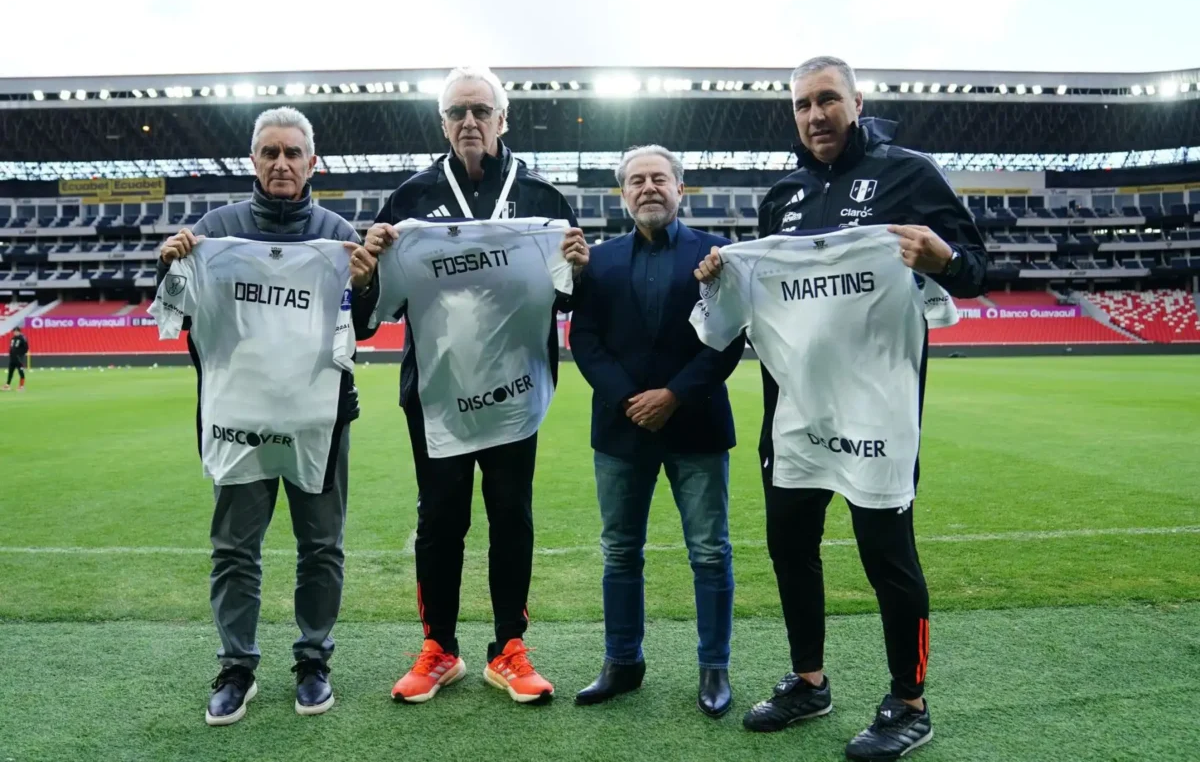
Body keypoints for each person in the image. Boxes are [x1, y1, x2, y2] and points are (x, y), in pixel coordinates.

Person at [696, 56, 987, 761]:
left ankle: (910, 700)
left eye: (827, 99)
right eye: (802, 104)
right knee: (790, 547)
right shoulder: (782, 196)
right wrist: (719, 277)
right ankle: (808, 678)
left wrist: (942, 257)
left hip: (877, 413)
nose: (815, 114)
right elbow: (747, 302)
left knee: (887, 554)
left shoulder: (909, 173)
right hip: (794, 413)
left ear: (857, 102)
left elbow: (977, 266)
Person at [358, 66, 590, 705]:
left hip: (516, 392)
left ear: (502, 119)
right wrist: (370, 265)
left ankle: (509, 649)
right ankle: (439, 649)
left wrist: (577, 265)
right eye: (457, 112)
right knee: (440, 522)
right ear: (442, 123)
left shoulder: (543, 200)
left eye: (480, 111)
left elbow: (571, 299)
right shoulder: (408, 202)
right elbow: (373, 309)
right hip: (435, 396)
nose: (468, 122)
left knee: (511, 518)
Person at [157, 106, 377, 726]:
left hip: (321, 420)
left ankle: (313, 661)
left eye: (292, 154)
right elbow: (180, 311)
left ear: (313, 163)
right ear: (253, 161)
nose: (281, 164)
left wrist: (364, 284)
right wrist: (168, 265)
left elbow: (362, 325)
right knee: (234, 548)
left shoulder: (337, 232)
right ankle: (236, 667)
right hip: (239, 420)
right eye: (269, 153)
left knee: (322, 546)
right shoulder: (215, 230)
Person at [568, 146, 745, 717]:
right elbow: (584, 341)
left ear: (679, 188)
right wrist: (629, 398)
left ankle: (713, 668)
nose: (648, 187)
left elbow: (729, 338)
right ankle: (622, 662)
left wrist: (673, 395)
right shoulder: (599, 261)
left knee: (710, 553)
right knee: (620, 552)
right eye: (637, 180)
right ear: (623, 194)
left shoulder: (716, 256)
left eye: (659, 178)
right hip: (622, 429)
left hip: (695, 423)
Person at [3, 326, 28, 391]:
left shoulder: (22, 338)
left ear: (19, 331)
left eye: (16, 331)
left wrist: (20, 354)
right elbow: (12, 348)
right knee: (10, 372)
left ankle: (21, 386)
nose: (15, 332)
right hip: (12, 358)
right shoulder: (13, 338)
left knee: (21, 372)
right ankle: (7, 385)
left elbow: (26, 348)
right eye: (14, 331)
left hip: (19, 359)